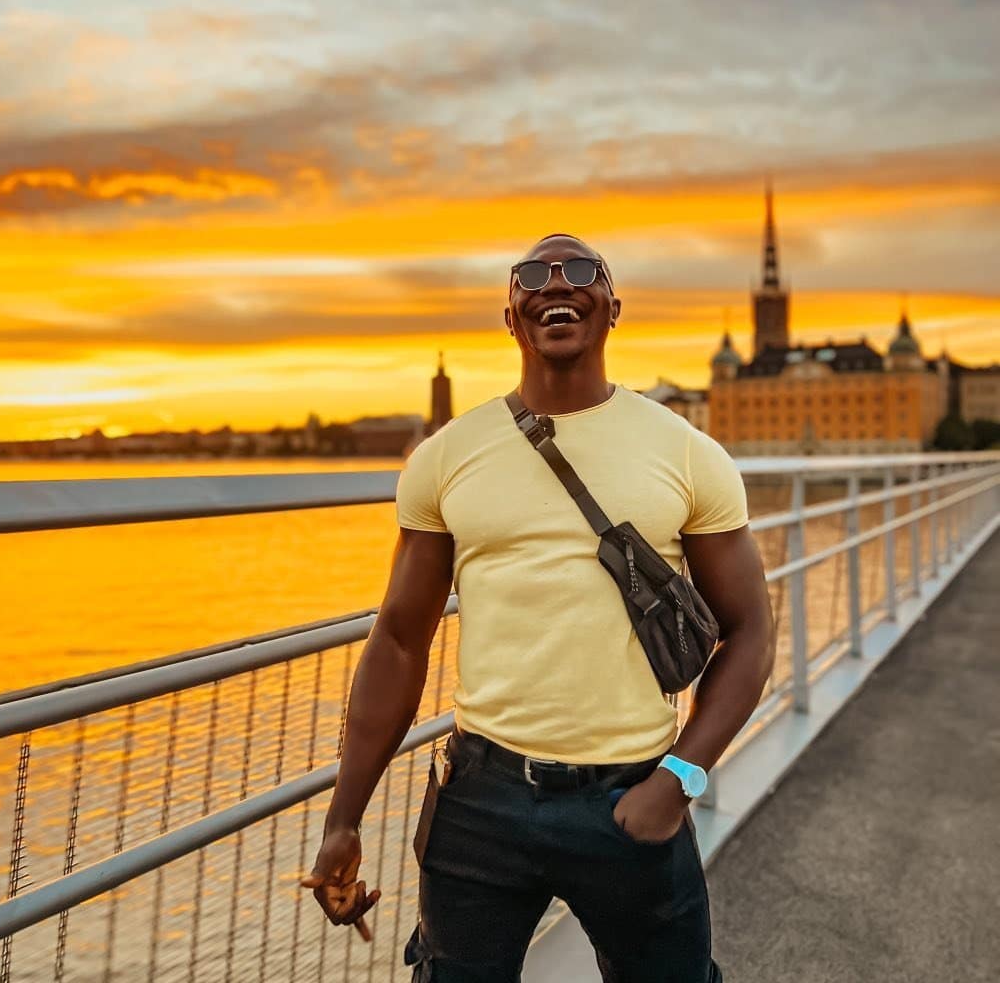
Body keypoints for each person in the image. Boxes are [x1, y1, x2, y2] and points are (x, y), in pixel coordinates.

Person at [302, 233, 776, 982]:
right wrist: (342, 818)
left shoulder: (687, 453)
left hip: (633, 793)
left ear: (612, 308)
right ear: (511, 314)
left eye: (581, 270)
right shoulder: (445, 457)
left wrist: (679, 779)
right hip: (479, 802)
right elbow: (397, 641)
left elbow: (750, 633)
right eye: (534, 274)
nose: (558, 283)